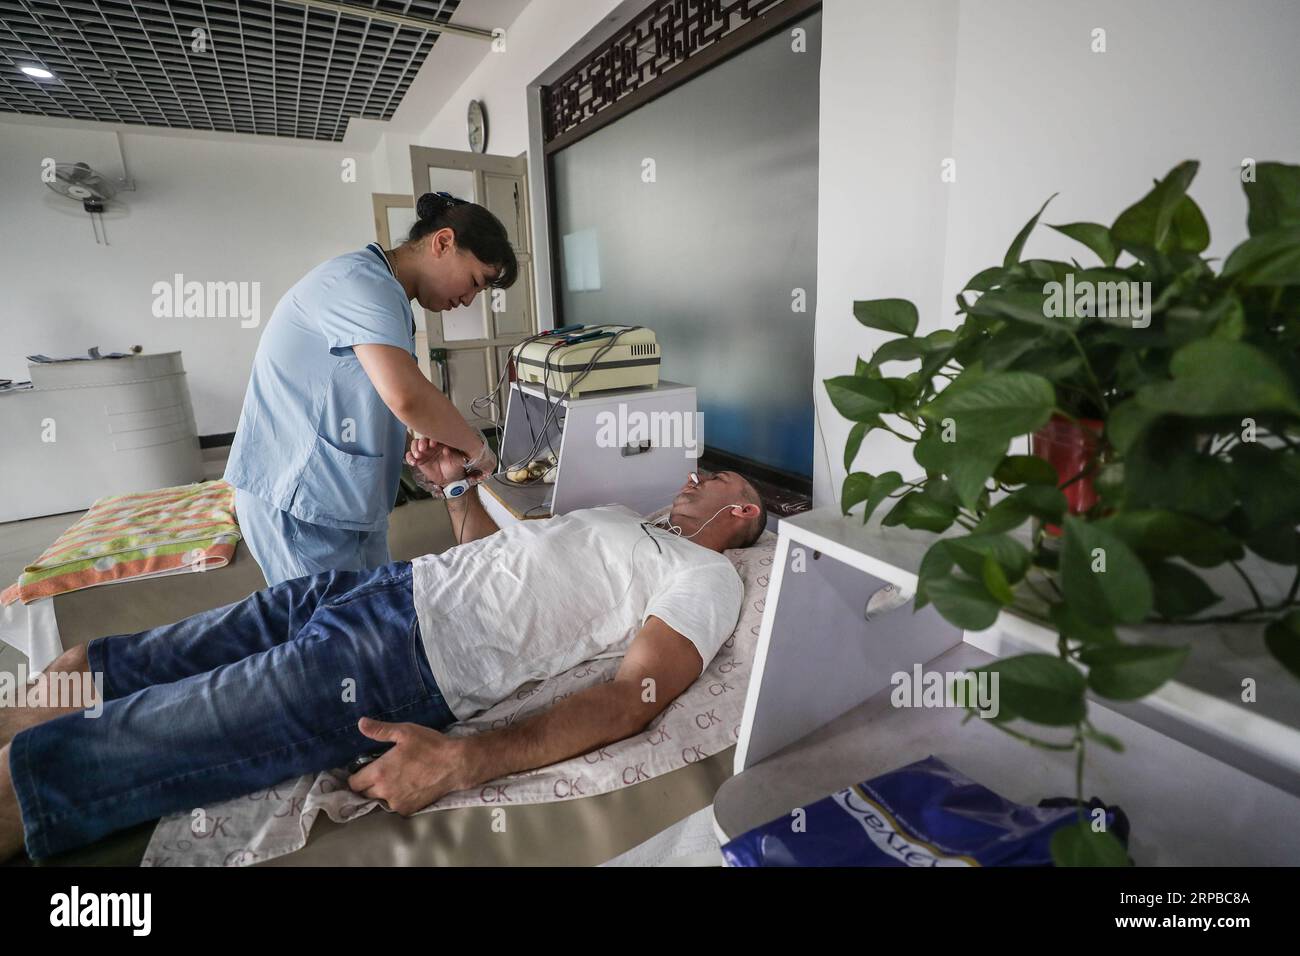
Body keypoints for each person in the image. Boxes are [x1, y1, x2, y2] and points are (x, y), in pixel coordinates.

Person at [0, 442, 768, 862]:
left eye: (717, 476)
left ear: (742, 510)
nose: (694, 474)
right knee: (83, 670)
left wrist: (465, 761)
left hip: (393, 661)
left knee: (86, 754)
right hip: (360, 591)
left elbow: (631, 697)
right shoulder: (624, 518)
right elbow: (485, 554)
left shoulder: (703, 577)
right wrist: (454, 489)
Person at [224, 191, 517, 586]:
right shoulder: (360, 283)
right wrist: (480, 451)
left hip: (347, 501)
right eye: (474, 283)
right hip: (299, 500)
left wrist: (430, 450)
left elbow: (384, 396)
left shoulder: (389, 298)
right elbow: (406, 396)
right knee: (332, 635)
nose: (468, 300)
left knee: (369, 621)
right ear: (443, 242)